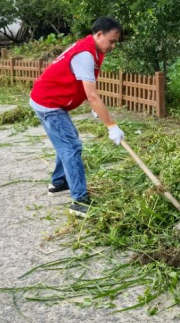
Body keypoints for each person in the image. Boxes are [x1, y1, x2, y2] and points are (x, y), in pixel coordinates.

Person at [29, 17, 125, 217]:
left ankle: (58, 182)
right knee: (71, 147)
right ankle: (79, 202)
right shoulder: (85, 54)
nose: (113, 46)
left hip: (51, 100)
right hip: (49, 103)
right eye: (112, 41)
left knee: (67, 141)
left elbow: (83, 86)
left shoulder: (94, 48)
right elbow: (92, 95)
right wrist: (112, 126)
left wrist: (96, 109)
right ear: (99, 35)